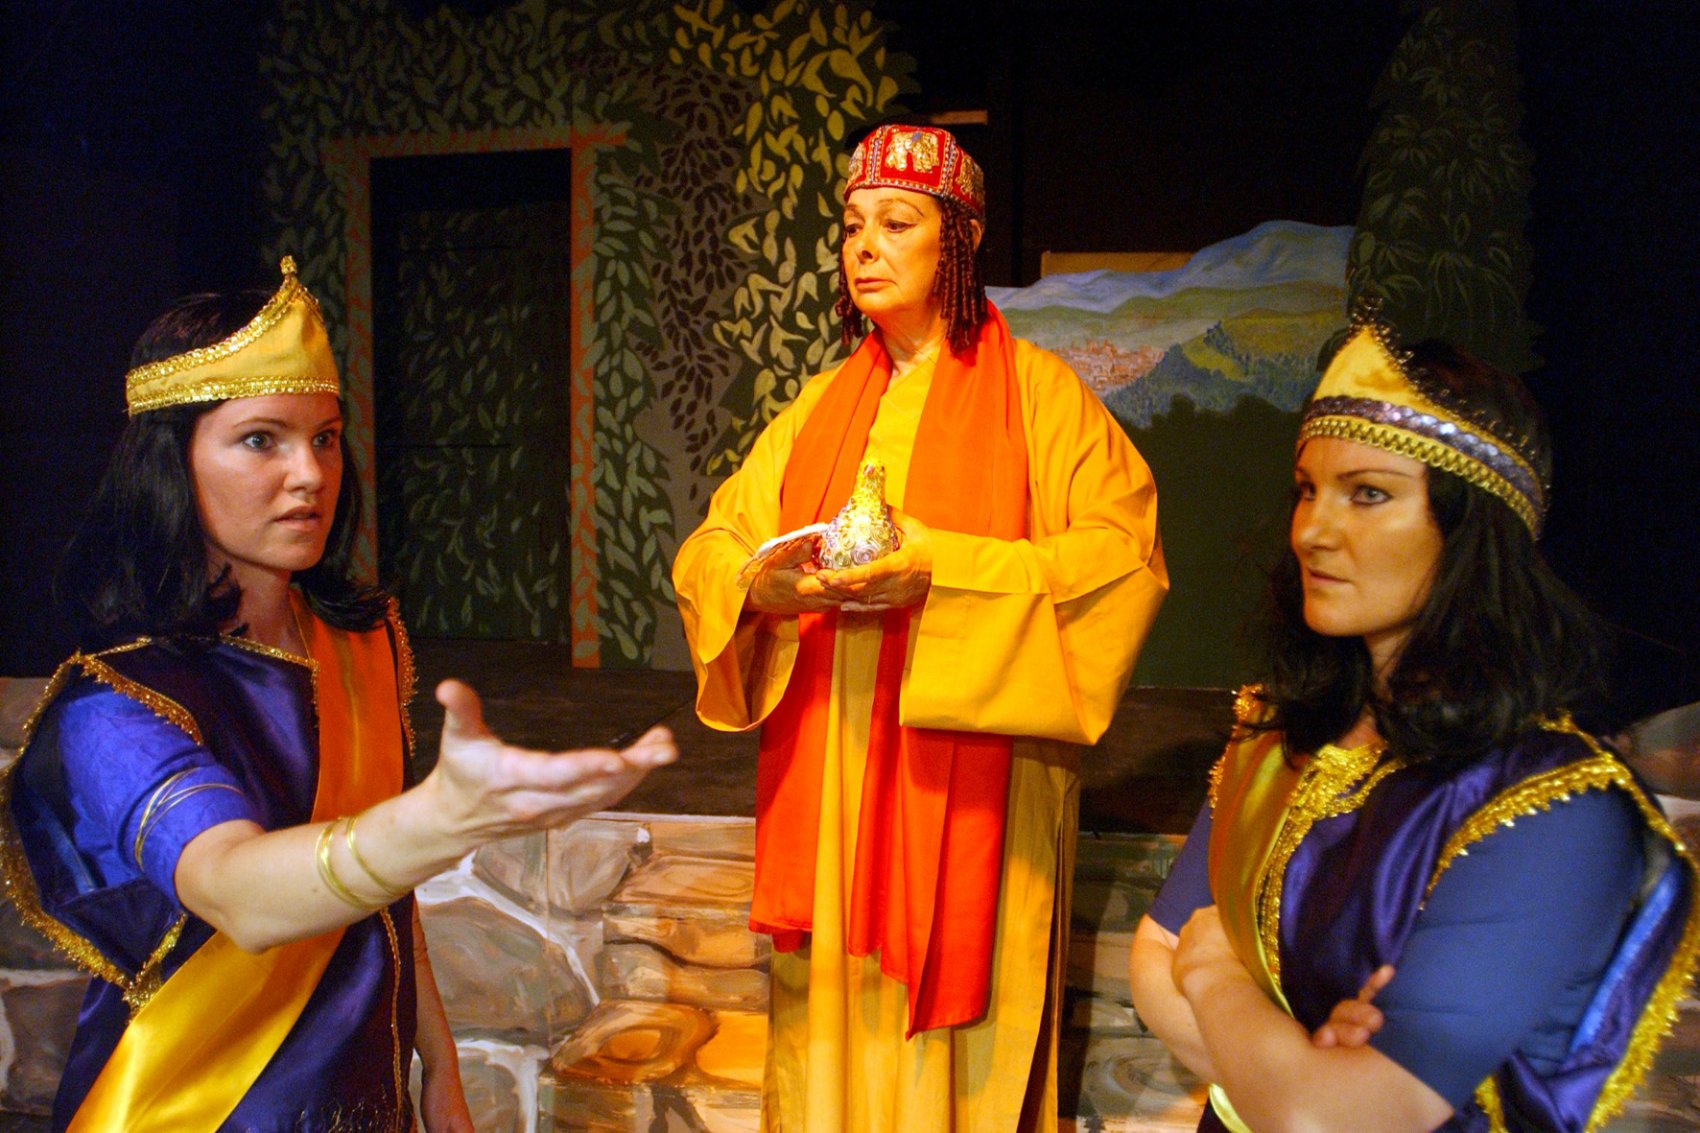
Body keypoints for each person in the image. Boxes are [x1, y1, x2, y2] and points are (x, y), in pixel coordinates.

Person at [1, 258, 677, 1133]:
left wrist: (439, 1066)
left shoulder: (359, 641)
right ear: (170, 462)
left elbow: (386, 901)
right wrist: (438, 820)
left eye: (324, 437)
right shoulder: (118, 703)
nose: (311, 473)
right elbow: (238, 891)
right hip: (198, 1108)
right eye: (261, 440)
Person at [672, 123, 1168, 1131]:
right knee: (834, 1012)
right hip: (834, 756)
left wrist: (943, 569)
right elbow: (714, 544)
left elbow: (1122, 560)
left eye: (896, 222)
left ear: (959, 243)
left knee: (956, 1038)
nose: (865, 245)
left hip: (972, 772)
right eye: (852, 224)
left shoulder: (1040, 398)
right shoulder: (819, 406)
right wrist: (766, 587)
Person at [1127, 320, 1700, 1133]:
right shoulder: (1276, 734)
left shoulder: (1555, 806)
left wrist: (1216, 968)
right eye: (1306, 489)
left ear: (1473, 527)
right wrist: (1289, 1068)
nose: (1312, 530)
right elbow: (1153, 957)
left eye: (1368, 493)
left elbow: (1326, 1117)